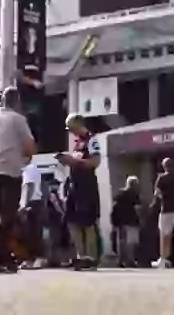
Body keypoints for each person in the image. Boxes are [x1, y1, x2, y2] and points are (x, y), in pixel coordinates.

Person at [0, 86, 36, 274]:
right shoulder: (18, 119)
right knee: (8, 216)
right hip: (11, 171)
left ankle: (3, 256)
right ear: (17, 101)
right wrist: (26, 158)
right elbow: (29, 145)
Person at [57, 114, 101, 269]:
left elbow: (95, 162)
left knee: (88, 223)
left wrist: (74, 161)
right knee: (71, 220)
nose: (69, 131)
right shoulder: (77, 143)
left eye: (71, 127)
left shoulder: (92, 140)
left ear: (78, 124)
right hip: (74, 186)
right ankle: (80, 255)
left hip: (87, 186)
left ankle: (91, 257)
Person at [110, 175, 141, 267]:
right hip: (131, 220)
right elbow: (138, 208)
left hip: (121, 221)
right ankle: (130, 260)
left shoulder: (120, 194)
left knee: (122, 241)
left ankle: (121, 260)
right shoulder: (134, 194)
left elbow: (115, 207)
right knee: (131, 242)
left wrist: (114, 221)